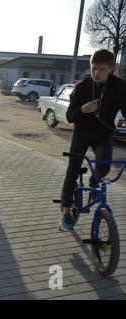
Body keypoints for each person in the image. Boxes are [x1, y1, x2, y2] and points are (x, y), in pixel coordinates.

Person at [59, 49, 126, 232]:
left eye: (102, 69)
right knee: (72, 170)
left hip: (103, 135)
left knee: (103, 168)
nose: (96, 73)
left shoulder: (120, 87)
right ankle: (65, 212)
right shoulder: (81, 88)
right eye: (94, 68)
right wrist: (83, 109)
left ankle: (94, 179)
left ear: (111, 69)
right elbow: (70, 116)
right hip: (81, 134)